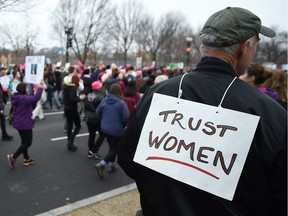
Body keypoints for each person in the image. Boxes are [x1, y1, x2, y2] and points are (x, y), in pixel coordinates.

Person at [118, 7, 287, 216]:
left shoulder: (157, 94)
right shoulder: (271, 115)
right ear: (244, 48)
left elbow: (127, 161)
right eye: (257, 44)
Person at [7, 80, 45, 169]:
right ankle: (13, 157)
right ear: (23, 89)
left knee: (24, 142)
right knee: (28, 143)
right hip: (25, 123)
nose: (28, 89)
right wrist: (40, 87)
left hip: (19, 122)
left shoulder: (16, 97)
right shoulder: (23, 98)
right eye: (26, 88)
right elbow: (36, 98)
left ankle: (26, 159)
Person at [95, 83, 129, 178]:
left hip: (105, 128)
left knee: (112, 147)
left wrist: (104, 120)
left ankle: (111, 165)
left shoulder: (104, 100)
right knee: (116, 149)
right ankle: (102, 164)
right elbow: (126, 117)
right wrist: (123, 125)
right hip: (116, 129)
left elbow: (97, 113)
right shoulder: (121, 103)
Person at [63, 73, 86, 152]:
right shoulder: (72, 88)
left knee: (69, 126)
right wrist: (80, 98)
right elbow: (73, 99)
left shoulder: (65, 87)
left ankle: (70, 143)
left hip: (66, 108)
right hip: (72, 109)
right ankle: (70, 142)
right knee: (78, 126)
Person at [84, 80, 104, 158]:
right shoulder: (101, 97)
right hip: (97, 118)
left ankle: (91, 151)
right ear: (99, 88)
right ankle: (94, 150)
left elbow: (86, 106)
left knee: (91, 135)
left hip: (88, 118)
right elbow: (102, 109)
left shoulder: (88, 95)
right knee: (102, 134)